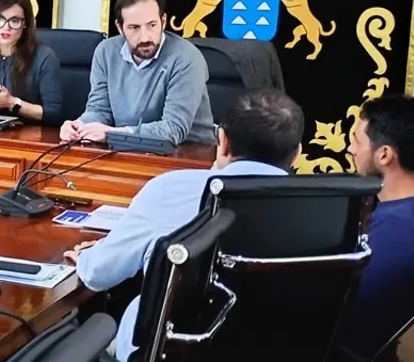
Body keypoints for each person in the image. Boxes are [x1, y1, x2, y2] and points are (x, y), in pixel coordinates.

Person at [65, 87, 304, 361]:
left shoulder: (170, 189)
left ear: (223, 140)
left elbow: (99, 274)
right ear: (296, 154)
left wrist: (88, 257)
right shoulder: (325, 211)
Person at [338, 95, 414, 359]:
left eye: (357, 140)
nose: (351, 149)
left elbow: (341, 313)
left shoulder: (397, 234)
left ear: (384, 155)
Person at [63, 0, 214, 145]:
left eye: (152, 25)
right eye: (134, 28)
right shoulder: (106, 52)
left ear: (163, 21)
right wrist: (78, 126)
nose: (144, 37)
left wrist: (113, 134)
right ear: (120, 27)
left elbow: (173, 130)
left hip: (189, 151)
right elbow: (99, 110)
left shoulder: (187, 58)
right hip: (124, 147)